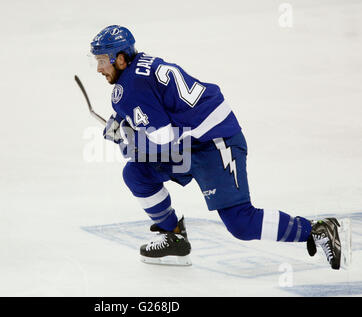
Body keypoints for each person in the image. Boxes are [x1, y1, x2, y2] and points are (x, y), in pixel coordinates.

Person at [90, 25, 343, 269]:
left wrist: (125, 140)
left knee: (241, 223)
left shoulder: (130, 88)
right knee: (137, 173)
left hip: (216, 142)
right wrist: (125, 124)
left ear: (121, 59)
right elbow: (157, 115)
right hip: (191, 142)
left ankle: (317, 229)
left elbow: (162, 140)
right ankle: (173, 235)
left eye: (103, 60)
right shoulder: (138, 70)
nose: (99, 68)